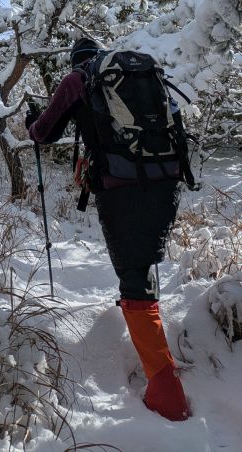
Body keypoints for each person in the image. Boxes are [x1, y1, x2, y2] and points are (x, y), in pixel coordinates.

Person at [25, 37, 191, 422]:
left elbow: (45, 133)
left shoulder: (77, 80)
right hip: (166, 179)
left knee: (133, 276)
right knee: (141, 266)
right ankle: (153, 351)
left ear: (77, 61)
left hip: (122, 188)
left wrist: (31, 123)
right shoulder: (141, 77)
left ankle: (167, 394)